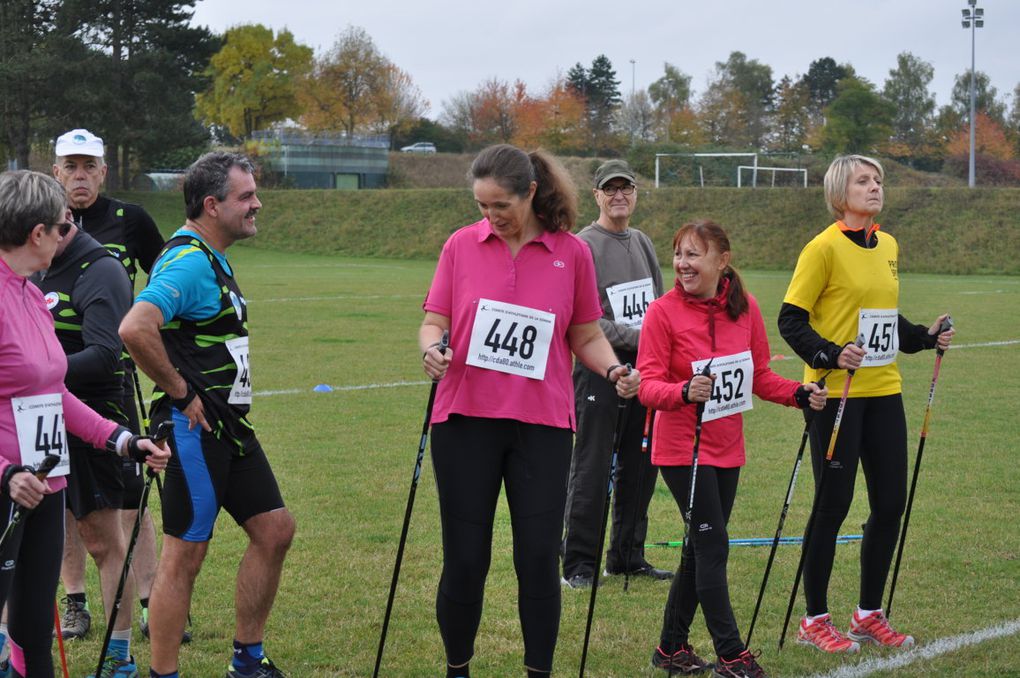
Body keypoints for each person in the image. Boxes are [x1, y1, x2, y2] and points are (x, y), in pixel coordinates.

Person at [420, 144, 641, 678]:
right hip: (465, 420)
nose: (491, 216)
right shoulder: (460, 246)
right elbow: (434, 319)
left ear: (531, 193)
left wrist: (613, 370)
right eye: (482, 206)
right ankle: (458, 670)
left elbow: (585, 333)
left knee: (537, 561)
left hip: (541, 426)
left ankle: (538, 672)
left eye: (501, 205)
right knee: (466, 559)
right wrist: (430, 348)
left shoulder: (572, 253)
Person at [119, 152, 295, 678]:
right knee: (185, 557)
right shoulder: (189, 260)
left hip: (231, 429)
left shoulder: (212, 255)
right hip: (194, 431)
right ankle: (163, 674)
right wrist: (178, 392)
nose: (257, 203)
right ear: (212, 205)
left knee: (275, 530)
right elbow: (135, 327)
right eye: (246, 196)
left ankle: (247, 661)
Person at [778, 154, 954, 654]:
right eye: (863, 180)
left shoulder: (889, 245)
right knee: (832, 505)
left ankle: (867, 614)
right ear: (841, 192)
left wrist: (924, 336)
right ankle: (813, 620)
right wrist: (831, 354)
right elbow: (790, 320)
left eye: (878, 180)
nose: (875, 187)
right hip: (834, 395)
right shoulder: (822, 248)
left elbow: (885, 319)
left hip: (884, 392)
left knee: (890, 504)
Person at [636, 220, 827, 678]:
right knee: (712, 544)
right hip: (682, 448)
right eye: (678, 254)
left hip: (727, 448)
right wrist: (684, 392)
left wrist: (798, 394)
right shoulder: (662, 312)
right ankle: (731, 654)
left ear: (722, 261)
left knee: (697, 549)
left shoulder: (746, 309)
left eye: (693, 255)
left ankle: (670, 649)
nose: (682, 264)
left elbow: (759, 375)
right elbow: (647, 385)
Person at [0, 169, 168, 678]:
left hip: (46, 484)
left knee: (33, 630)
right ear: (37, 234)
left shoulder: (33, 295)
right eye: (61, 226)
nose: (67, 234)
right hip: (9, 487)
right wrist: (5, 472)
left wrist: (121, 439)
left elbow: (54, 392)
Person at [51, 128, 169, 642]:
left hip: (109, 381)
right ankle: (75, 602)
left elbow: (165, 279)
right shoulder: (38, 223)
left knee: (127, 500)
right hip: (52, 388)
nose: (80, 175)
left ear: (103, 171)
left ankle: (151, 602)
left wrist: (147, 336)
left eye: (89, 166)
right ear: (56, 171)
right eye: (70, 166)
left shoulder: (130, 220)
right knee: (63, 504)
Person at [30, 217, 142, 676]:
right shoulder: (31, 266)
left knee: (103, 541)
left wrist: (36, 373)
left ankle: (119, 656)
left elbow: (104, 355)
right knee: (34, 535)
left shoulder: (101, 269)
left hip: (91, 418)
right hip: (35, 417)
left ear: (58, 227)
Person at [561, 159, 669, 589]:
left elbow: (659, 307)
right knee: (591, 467)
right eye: (611, 189)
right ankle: (579, 565)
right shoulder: (583, 245)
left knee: (640, 466)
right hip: (599, 373)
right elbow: (580, 319)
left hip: (644, 374)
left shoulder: (641, 242)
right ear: (597, 196)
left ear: (636, 193)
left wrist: (654, 348)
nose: (619, 195)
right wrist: (633, 338)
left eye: (627, 188)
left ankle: (626, 557)